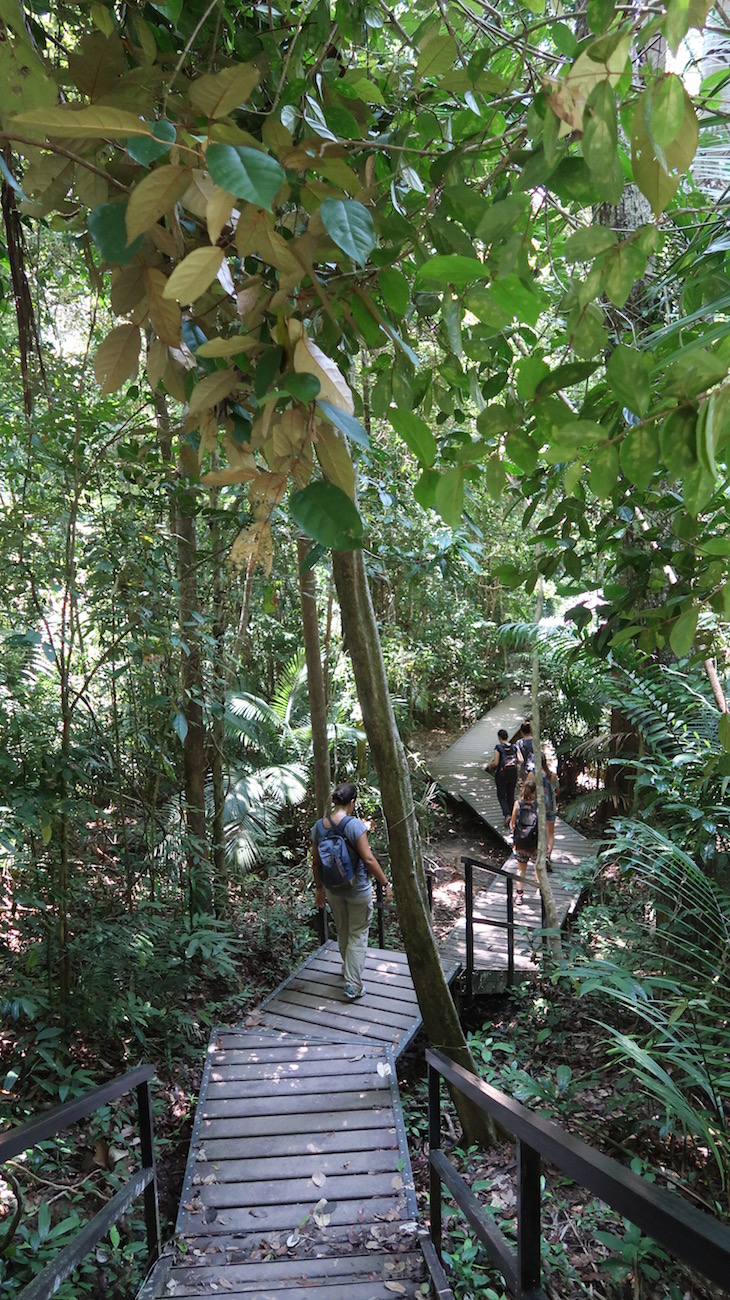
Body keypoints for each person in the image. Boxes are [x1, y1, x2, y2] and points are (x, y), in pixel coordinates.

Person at [312, 782, 392, 1001]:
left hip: (333, 890)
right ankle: (353, 985)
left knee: (343, 930)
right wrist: (385, 883)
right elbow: (367, 858)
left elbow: (316, 863)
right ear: (352, 802)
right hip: (357, 889)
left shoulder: (319, 826)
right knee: (358, 933)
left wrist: (319, 889)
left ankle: (348, 971)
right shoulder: (355, 825)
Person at [509, 774, 538, 905]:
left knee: (521, 868)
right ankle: (541, 891)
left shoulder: (517, 804)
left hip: (520, 842)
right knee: (538, 867)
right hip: (534, 842)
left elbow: (512, 823)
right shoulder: (538, 805)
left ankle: (519, 895)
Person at [486, 728, 519, 826]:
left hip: (502, 775)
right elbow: (520, 759)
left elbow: (496, 762)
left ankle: (507, 815)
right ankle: (514, 817)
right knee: (510, 795)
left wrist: (489, 766)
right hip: (513, 773)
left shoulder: (498, 748)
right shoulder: (514, 747)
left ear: (499, 737)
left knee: (501, 795)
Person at [542, 753, 559, 869]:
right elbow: (557, 790)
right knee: (550, 833)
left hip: (539, 808)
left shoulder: (533, 775)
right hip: (551, 806)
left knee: (540, 832)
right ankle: (548, 855)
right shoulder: (552, 775)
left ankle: (541, 855)